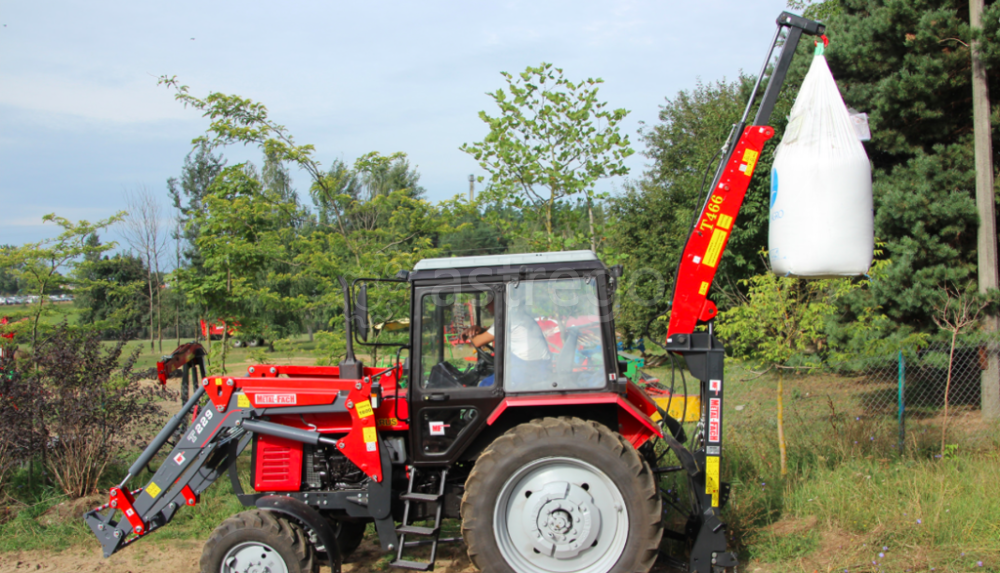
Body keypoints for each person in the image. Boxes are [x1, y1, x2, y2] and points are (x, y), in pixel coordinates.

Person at [462, 296, 552, 389]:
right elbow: (488, 332)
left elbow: (477, 342)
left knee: (484, 386)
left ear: (498, 303)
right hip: (535, 364)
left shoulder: (507, 319)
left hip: (528, 367)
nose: (486, 307)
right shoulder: (512, 316)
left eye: (489, 303)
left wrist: (468, 332)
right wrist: (477, 329)